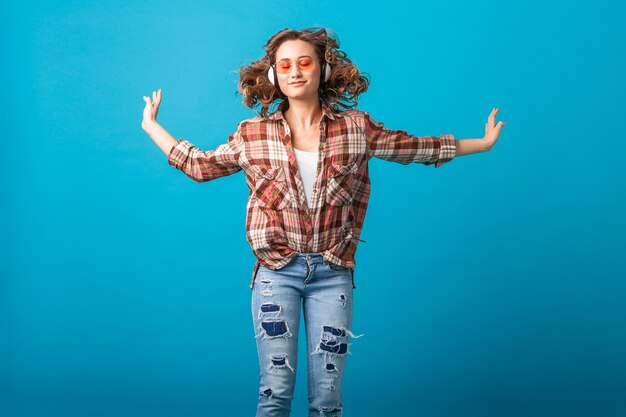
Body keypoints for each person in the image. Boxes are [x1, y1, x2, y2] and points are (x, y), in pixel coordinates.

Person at [141, 26, 505, 417]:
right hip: (276, 272)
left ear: (323, 70)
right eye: (285, 65)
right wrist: (151, 125)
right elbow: (199, 166)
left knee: (328, 398)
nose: (295, 71)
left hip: (333, 272)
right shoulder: (252, 135)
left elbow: (414, 148)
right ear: (274, 77)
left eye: (304, 62)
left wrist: (480, 144)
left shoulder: (356, 129)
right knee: (275, 391)